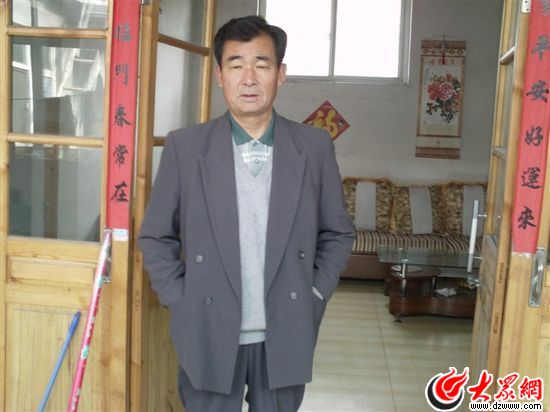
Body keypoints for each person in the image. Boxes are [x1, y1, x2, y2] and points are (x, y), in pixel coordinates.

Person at [138, 15, 354, 412]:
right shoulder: (186, 147)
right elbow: (156, 236)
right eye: (236, 65)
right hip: (207, 327)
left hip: (286, 327)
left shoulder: (314, 147)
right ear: (220, 75)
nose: (249, 79)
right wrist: (181, 300)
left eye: (262, 64)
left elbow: (338, 233)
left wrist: (315, 294)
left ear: (280, 74)